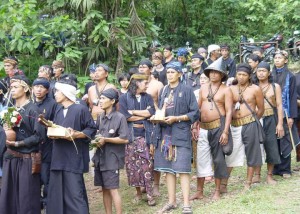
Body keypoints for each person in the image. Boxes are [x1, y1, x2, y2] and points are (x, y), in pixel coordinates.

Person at [153, 61, 200, 214]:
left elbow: (195, 113)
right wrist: (158, 117)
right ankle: (171, 201)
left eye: (173, 72)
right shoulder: (165, 90)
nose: (170, 75)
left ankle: (186, 204)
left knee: (183, 170)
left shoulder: (186, 90)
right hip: (165, 135)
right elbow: (162, 110)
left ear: (180, 74)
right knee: (168, 170)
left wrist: (177, 118)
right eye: (168, 72)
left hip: (180, 133)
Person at [47, 78, 97, 214]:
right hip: (58, 156)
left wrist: (77, 135)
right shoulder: (58, 110)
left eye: (57, 91)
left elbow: (91, 129)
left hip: (73, 157)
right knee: (57, 192)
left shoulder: (80, 109)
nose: (55, 94)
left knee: (75, 192)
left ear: (65, 93)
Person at [0, 75, 45, 214]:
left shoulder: (33, 110)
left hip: (27, 160)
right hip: (10, 158)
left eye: (15, 87)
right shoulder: (9, 109)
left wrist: (19, 143)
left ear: (25, 88)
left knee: (27, 199)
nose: (12, 90)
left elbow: (40, 136)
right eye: (11, 87)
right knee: (9, 197)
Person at [190, 57, 233, 201]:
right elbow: (197, 108)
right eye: (211, 72)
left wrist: (225, 131)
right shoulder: (203, 88)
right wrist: (195, 125)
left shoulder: (226, 90)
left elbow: (229, 113)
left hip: (218, 128)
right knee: (201, 159)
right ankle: (199, 191)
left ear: (222, 75)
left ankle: (217, 191)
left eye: (217, 72)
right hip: (203, 128)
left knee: (219, 160)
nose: (214, 74)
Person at [223, 63, 264, 191]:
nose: (241, 77)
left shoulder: (255, 89)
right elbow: (228, 110)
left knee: (252, 153)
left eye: (244, 75)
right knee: (231, 153)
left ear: (249, 76)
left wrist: (251, 119)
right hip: (235, 125)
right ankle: (224, 184)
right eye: (239, 74)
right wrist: (226, 129)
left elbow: (261, 109)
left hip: (250, 124)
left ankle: (248, 182)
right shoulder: (231, 89)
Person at [119, 73, 156, 206]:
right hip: (131, 135)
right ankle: (139, 193)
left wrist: (133, 112)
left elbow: (151, 113)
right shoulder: (123, 98)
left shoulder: (148, 97)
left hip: (146, 134)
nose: (147, 85)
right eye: (144, 83)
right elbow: (125, 116)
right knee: (132, 166)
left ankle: (150, 194)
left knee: (147, 164)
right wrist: (143, 115)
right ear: (136, 83)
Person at [93, 88, 129, 214]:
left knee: (113, 189)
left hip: (112, 158)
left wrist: (106, 140)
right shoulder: (100, 116)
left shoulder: (120, 117)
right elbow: (98, 134)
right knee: (105, 189)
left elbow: (124, 139)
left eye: (103, 98)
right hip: (100, 157)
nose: (100, 101)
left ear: (112, 101)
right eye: (100, 98)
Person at [254, 61, 284, 184]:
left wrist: (280, 124)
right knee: (256, 147)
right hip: (255, 120)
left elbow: (279, 105)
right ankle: (257, 175)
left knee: (271, 146)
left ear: (269, 73)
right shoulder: (252, 86)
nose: (261, 73)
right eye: (259, 71)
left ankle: (269, 175)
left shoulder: (274, 86)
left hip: (271, 118)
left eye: (263, 71)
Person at [271, 50, 300, 178]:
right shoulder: (269, 75)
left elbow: (293, 97)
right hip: (271, 112)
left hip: (286, 113)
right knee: (273, 140)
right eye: (275, 58)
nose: (277, 60)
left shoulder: (291, 76)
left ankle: (285, 169)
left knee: (286, 140)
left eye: (280, 58)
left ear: (285, 60)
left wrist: (292, 117)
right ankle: (275, 167)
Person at [32, 77, 58, 207]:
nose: (38, 89)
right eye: (36, 86)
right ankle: (36, 200)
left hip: (47, 144)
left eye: (42, 87)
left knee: (45, 174)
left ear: (47, 90)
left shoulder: (52, 104)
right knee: (33, 174)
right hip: (32, 145)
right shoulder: (29, 103)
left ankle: (48, 200)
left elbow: (56, 124)